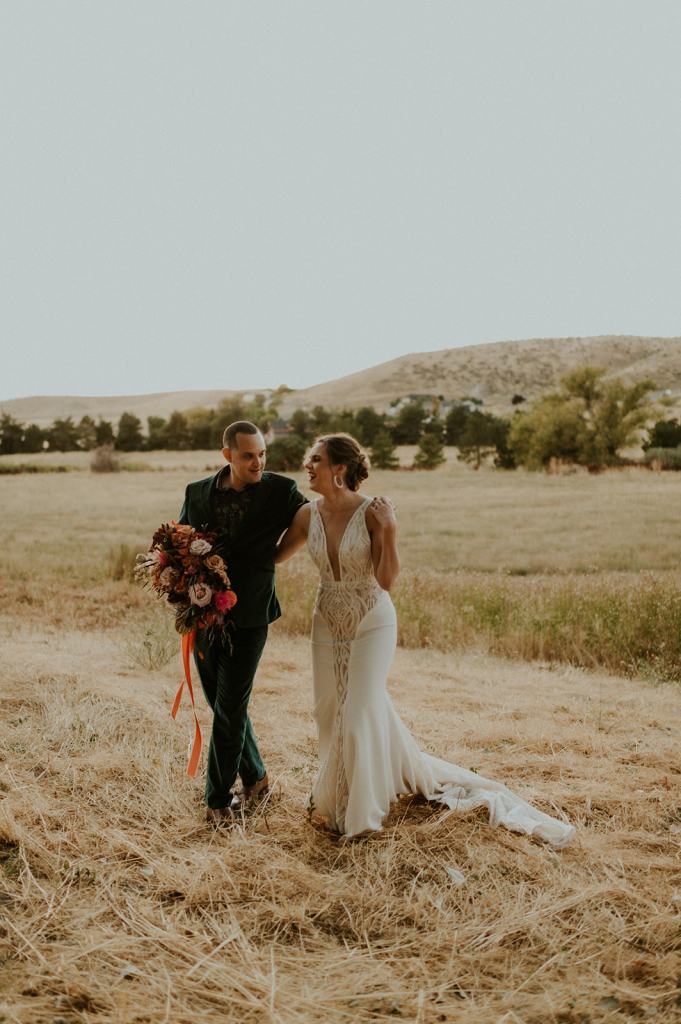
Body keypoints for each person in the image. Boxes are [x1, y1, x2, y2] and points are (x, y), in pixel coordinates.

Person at [275, 433, 574, 846]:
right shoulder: (306, 515)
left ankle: (361, 816)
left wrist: (390, 529)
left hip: (370, 619)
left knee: (359, 712)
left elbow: (387, 579)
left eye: (316, 459)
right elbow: (271, 556)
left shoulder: (373, 512)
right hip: (326, 619)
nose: (308, 465)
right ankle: (337, 797)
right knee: (329, 712)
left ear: (339, 468)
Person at [179, 420, 307, 825]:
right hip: (204, 613)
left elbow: (308, 519)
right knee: (223, 702)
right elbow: (182, 543)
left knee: (232, 705)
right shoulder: (196, 492)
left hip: (251, 612)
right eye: (249, 455)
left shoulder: (280, 490)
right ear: (228, 456)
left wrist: (276, 556)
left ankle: (217, 799)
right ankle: (257, 776)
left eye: (262, 454)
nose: (258, 462)